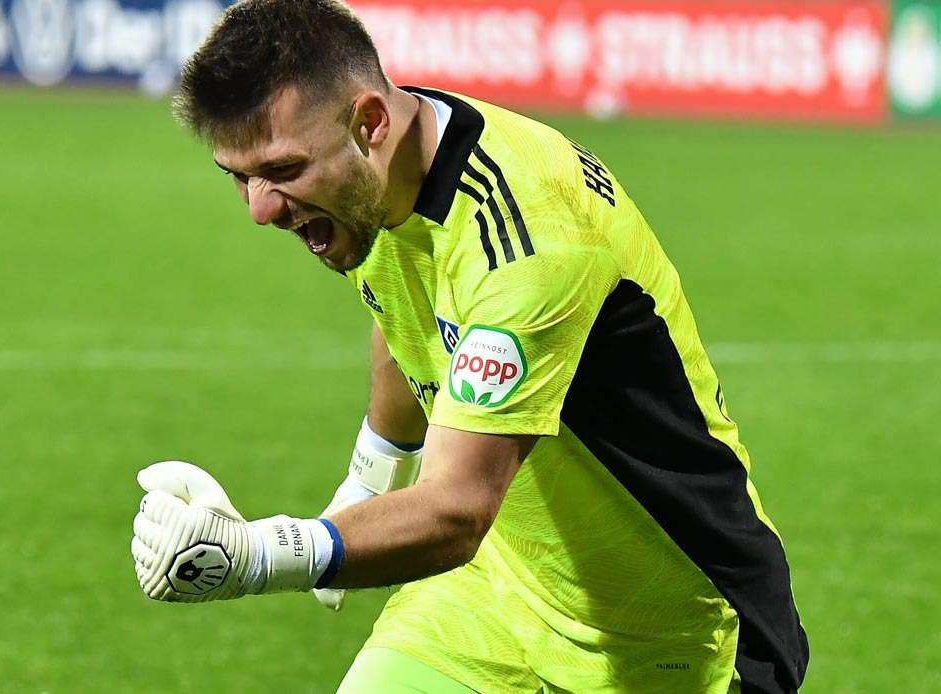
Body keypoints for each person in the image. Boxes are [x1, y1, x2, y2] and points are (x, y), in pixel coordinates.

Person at [130, 1, 809, 692]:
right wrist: (370, 474)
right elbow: (405, 310)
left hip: (668, 633)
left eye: (282, 169)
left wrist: (258, 555)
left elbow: (457, 510)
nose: (260, 208)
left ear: (369, 123)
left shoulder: (529, 242)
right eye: (239, 176)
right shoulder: (382, 174)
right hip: (490, 597)